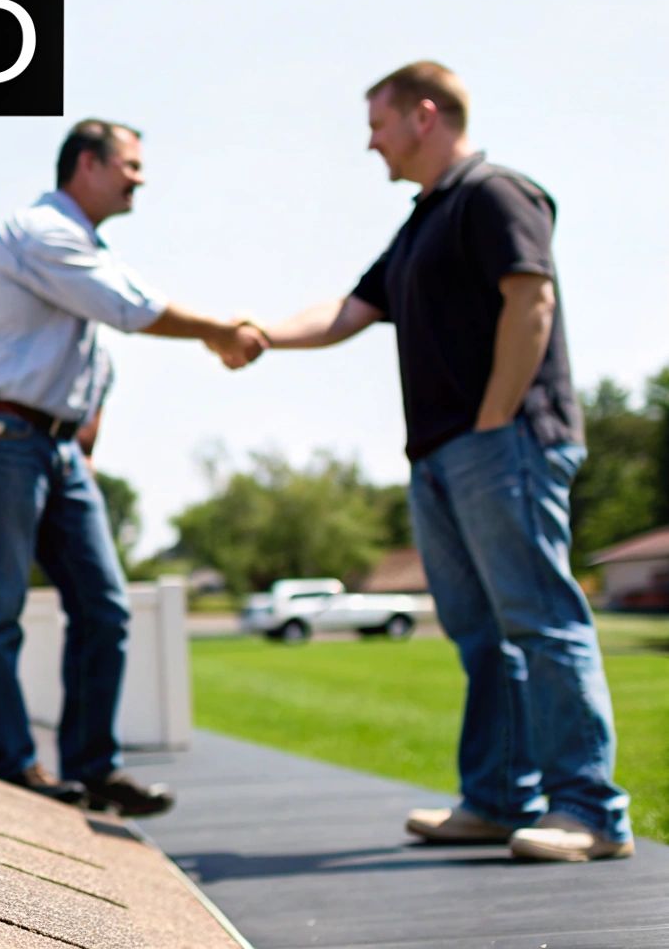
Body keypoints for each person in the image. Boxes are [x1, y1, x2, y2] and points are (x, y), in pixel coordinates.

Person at [260, 61, 632, 862]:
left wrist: (495, 421)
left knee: (541, 622)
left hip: (506, 442)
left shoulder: (497, 193)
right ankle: (499, 799)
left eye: (378, 126)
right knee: (480, 634)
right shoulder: (421, 221)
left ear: (424, 116)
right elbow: (349, 310)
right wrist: (255, 332)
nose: (371, 145)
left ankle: (591, 811)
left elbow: (530, 299)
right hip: (440, 454)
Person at [0, 119, 266, 815]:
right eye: (130, 165)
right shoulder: (40, 232)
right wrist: (218, 331)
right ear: (85, 165)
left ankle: (93, 767)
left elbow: (98, 353)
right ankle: (10, 761)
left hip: (53, 448)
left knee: (105, 607)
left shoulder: (88, 245)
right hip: (1, 435)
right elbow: (127, 310)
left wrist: (81, 442)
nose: (140, 179)